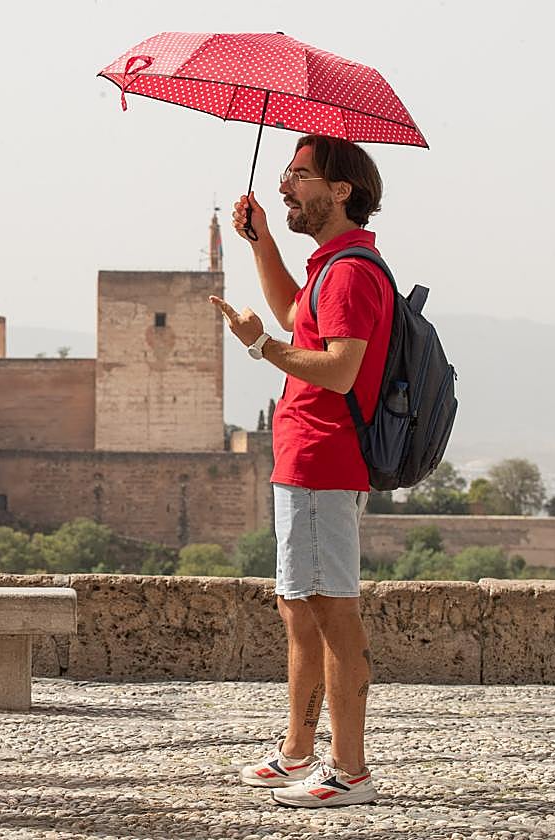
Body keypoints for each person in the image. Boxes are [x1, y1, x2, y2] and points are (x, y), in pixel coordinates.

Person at [210, 134, 391, 808]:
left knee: (332, 613)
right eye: (286, 173)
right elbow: (296, 312)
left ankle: (349, 771)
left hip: (324, 461)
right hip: (301, 462)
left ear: (340, 192)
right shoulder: (328, 267)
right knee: (300, 612)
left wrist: (262, 347)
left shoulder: (348, 273)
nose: (288, 186)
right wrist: (260, 241)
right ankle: (297, 752)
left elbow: (340, 368)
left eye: (302, 176)